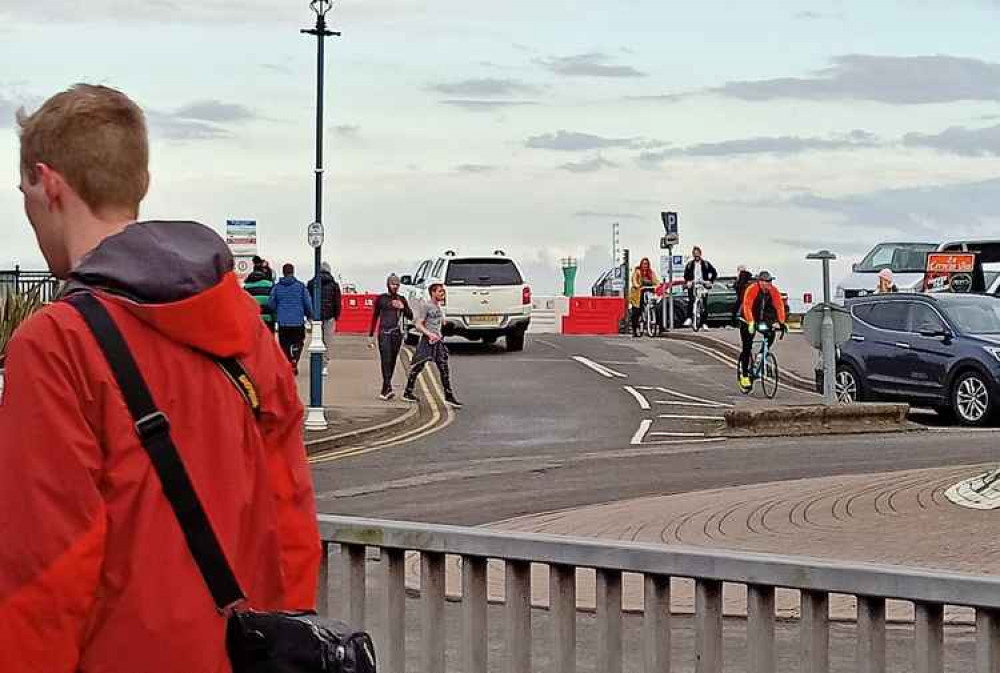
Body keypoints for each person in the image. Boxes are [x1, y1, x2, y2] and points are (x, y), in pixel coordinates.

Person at [0, 84, 320, 671]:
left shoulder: (54, 344)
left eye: (22, 190)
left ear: (48, 183)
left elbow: (46, 568)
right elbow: (292, 518)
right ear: (139, 184)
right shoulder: (244, 326)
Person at [403, 283, 463, 408]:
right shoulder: (426, 306)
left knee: (444, 368)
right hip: (427, 341)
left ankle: (449, 396)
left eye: (443, 292)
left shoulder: (438, 307)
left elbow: (438, 322)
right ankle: (408, 392)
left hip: (438, 341)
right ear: (433, 293)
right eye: (440, 291)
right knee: (419, 366)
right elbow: (418, 325)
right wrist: (429, 334)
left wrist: (444, 324)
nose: (443, 294)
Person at [739, 270, 787, 389]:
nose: (769, 285)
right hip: (746, 319)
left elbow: (779, 306)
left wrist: (781, 322)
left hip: (762, 320)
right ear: (760, 282)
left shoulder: (773, 291)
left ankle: (761, 356)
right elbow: (747, 306)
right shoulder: (752, 289)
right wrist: (750, 322)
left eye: (770, 282)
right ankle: (744, 375)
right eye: (766, 282)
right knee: (747, 346)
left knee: (770, 335)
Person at [369, 273, 413, 400]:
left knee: (393, 361)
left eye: (397, 284)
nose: (395, 287)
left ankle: (385, 389)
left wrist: (403, 307)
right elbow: (375, 316)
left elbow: (410, 316)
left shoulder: (402, 299)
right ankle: (387, 387)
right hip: (384, 333)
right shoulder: (381, 299)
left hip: (396, 333)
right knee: (385, 360)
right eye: (392, 284)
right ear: (388, 284)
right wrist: (371, 334)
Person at [269, 263, 313, 374]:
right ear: (293, 272)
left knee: (284, 345)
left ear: (283, 272)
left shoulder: (277, 287)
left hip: (283, 323)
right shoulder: (301, 286)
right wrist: (309, 315)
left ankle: (289, 361)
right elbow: (307, 303)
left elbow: (271, 303)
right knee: (299, 342)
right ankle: (294, 359)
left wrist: (276, 312)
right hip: (298, 321)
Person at [307, 261, 343, 375]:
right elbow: (337, 302)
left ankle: (316, 363)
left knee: (316, 340)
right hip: (329, 316)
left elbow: (308, 299)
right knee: (327, 341)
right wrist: (336, 315)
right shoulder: (334, 285)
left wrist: (309, 315)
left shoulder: (312, 283)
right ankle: (324, 365)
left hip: (316, 316)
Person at [683, 246, 719, 328]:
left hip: (703, 285)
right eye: (695, 254)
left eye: (698, 254)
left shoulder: (706, 264)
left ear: (700, 254)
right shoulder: (689, 264)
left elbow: (714, 273)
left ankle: (704, 323)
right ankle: (689, 318)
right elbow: (685, 275)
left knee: (704, 305)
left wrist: (710, 281)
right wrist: (688, 282)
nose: (696, 256)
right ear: (693, 255)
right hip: (693, 285)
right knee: (691, 300)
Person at [629, 257, 660, 336]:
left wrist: (658, 285)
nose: (645, 265)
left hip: (649, 292)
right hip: (638, 294)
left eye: (647, 264)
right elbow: (634, 280)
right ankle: (635, 329)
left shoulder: (651, 272)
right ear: (641, 264)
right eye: (644, 264)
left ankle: (657, 325)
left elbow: (656, 281)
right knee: (636, 311)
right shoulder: (637, 272)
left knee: (655, 307)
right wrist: (637, 285)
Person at [244, 255, 276, 332]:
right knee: (268, 343)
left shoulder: (246, 287)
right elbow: (274, 303)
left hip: (253, 321)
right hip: (268, 320)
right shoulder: (270, 285)